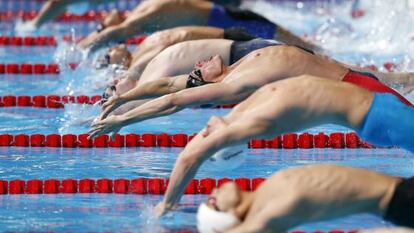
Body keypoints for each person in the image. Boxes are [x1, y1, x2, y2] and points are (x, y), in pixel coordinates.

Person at [150, 76, 414, 217]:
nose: (204, 130)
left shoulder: (246, 107)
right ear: (228, 141)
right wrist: (167, 205)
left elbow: (194, 150)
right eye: (209, 137)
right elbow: (191, 157)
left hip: (379, 113)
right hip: (380, 118)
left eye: (204, 133)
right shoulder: (258, 123)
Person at [88, 43, 412, 137]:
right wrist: (122, 121)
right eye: (199, 70)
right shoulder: (234, 83)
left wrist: (125, 96)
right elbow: (172, 100)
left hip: (354, 77)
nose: (198, 62)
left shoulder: (236, 65)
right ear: (208, 81)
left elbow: (165, 84)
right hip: (358, 94)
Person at [195, 164, 414, 233]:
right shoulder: (268, 215)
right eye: (212, 202)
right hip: (402, 200)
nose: (212, 192)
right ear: (231, 216)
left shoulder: (264, 195)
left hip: (402, 191)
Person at [77, 0, 316, 53]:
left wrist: (82, 49)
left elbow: (116, 33)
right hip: (223, 18)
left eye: (99, 26)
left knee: (305, 48)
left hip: (233, 19)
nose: (102, 22)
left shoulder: (144, 14)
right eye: (100, 27)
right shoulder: (139, 14)